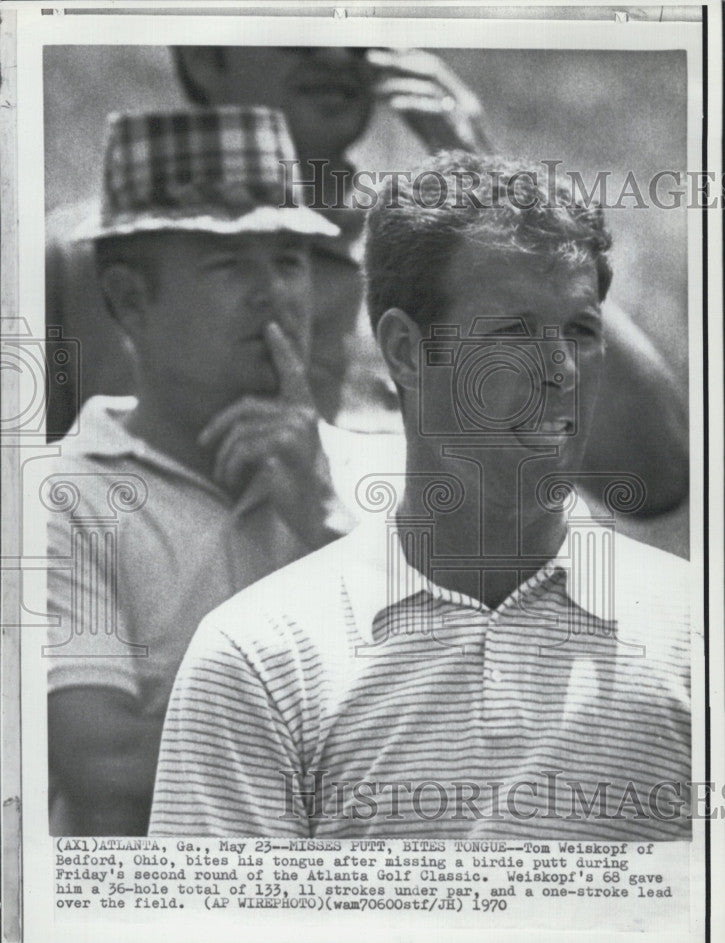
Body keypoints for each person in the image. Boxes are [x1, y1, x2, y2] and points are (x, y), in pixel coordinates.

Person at [149, 153, 691, 840]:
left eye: (579, 331)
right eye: (514, 331)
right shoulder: (259, 658)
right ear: (405, 350)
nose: (560, 370)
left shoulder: (696, 640)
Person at [46, 45, 688, 515]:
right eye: (298, 24)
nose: (335, 54)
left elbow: (652, 476)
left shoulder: (440, 253)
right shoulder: (83, 258)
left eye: (362, 33)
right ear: (206, 53)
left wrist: (500, 191)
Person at [46, 106, 343, 835]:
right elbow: (107, 769)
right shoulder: (57, 497)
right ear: (128, 300)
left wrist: (325, 524)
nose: (272, 292)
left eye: (288, 259)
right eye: (226, 263)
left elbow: (459, 722)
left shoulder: (367, 475)